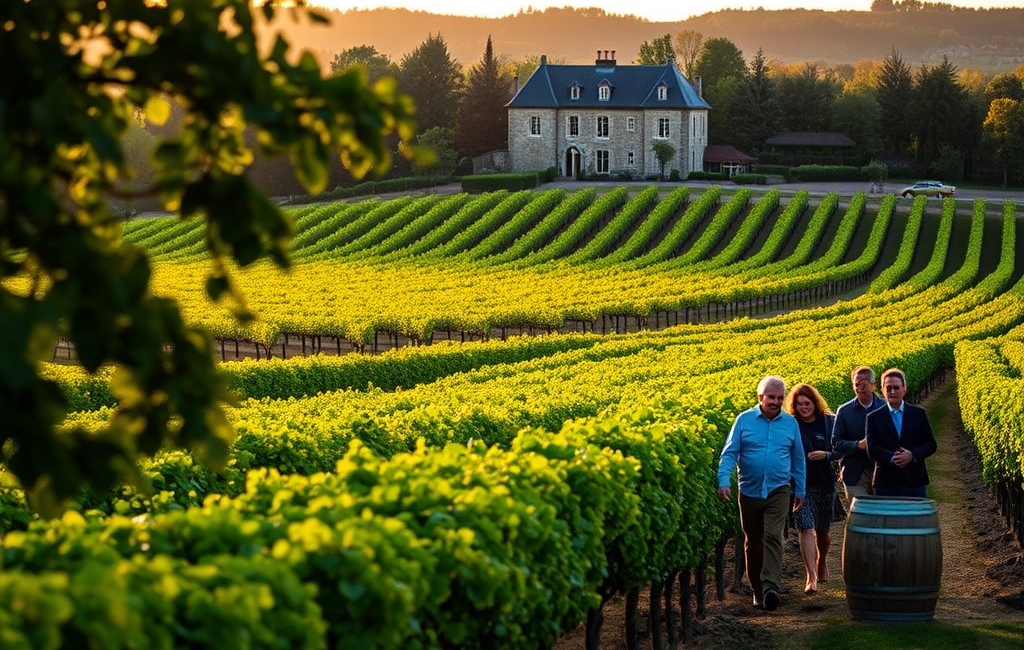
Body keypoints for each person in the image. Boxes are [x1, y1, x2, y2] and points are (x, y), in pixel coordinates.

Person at [718, 376, 806, 612]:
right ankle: (757, 589)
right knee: (753, 542)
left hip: (779, 489)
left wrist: (800, 488)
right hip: (749, 490)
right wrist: (724, 481)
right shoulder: (744, 420)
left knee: (773, 536)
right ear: (760, 397)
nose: (776, 402)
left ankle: (770, 588)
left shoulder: (790, 424)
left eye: (780, 398)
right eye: (771, 397)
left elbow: (798, 458)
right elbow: (729, 453)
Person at [784, 383, 841, 595]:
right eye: (799, 404)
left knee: (823, 531)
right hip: (801, 486)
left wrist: (826, 455)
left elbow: (841, 448)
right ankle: (811, 576)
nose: (804, 407)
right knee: (805, 528)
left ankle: (822, 559)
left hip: (825, 484)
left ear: (815, 403)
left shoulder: (830, 422)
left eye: (807, 403)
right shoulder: (790, 424)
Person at [866, 368, 937, 497]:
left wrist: (912, 455)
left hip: (914, 481)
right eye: (888, 388)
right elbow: (872, 449)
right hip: (886, 483)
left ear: (904, 389)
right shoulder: (873, 418)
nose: (892, 392)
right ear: (882, 390)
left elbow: (930, 444)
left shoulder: (918, 414)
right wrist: (892, 457)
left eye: (896, 388)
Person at [832, 366, 886, 503]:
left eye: (863, 384)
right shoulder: (844, 411)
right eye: (856, 384)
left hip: (883, 473)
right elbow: (836, 443)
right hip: (854, 473)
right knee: (860, 512)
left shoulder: (886, 408)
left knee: (881, 513)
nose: (859, 388)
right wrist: (858, 445)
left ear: (873, 384)